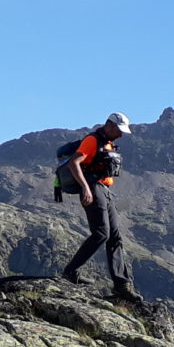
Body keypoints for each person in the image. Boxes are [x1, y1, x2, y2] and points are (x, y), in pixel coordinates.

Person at [60, 112, 141, 301]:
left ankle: (121, 285)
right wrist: (86, 188)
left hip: (105, 189)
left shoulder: (108, 142)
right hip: (93, 187)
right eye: (119, 130)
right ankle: (70, 272)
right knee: (101, 233)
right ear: (110, 125)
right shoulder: (92, 140)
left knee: (115, 236)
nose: (121, 135)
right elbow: (74, 163)